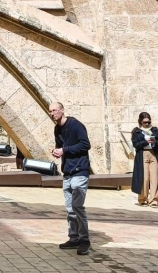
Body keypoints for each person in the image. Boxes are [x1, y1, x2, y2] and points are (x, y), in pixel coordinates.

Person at [50, 102, 91, 256]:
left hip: (80, 171)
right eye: (50, 111)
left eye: (54, 110)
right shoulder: (57, 128)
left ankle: (84, 240)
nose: (52, 113)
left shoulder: (76, 125)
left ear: (62, 110)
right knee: (69, 209)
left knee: (77, 206)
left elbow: (86, 145)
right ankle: (73, 238)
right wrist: (57, 151)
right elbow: (61, 146)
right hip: (67, 171)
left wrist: (64, 150)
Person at [131, 112, 158, 207]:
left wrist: (155, 142)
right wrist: (145, 142)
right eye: (145, 122)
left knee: (154, 178)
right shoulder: (136, 131)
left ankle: (154, 200)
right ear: (141, 122)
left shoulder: (155, 130)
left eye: (148, 122)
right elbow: (136, 145)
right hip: (143, 155)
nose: (147, 124)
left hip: (154, 154)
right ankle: (143, 199)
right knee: (144, 178)